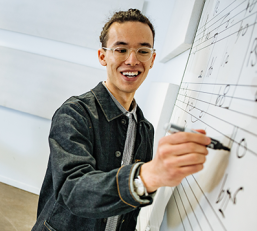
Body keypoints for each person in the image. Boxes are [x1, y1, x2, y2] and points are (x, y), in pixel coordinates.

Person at [32, 9, 211, 231]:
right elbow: (73, 191)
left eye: (143, 51)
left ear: (153, 59)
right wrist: (150, 174)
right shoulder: (74, 113)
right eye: (121, 49)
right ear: (102, 56)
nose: (132, 60)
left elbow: (132, 204)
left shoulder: (145, 129)